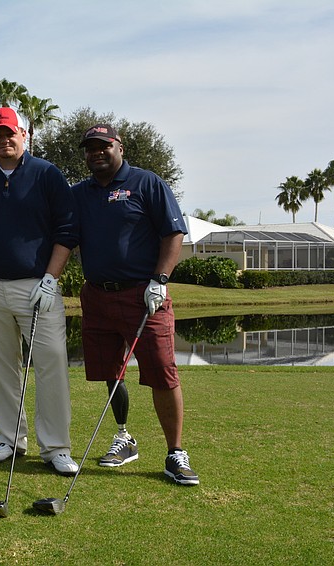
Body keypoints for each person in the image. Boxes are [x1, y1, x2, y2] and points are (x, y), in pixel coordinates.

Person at [72, 123, 199, 485]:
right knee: (110, 371)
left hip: (143, 295)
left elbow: (173, 233)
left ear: (119, 147)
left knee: (162, 371)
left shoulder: (146, 183)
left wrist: (160, 280)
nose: (97, 152)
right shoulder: (79, 194)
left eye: (103, 146)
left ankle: (175, 452)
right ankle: (124, 437)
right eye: (90, 148)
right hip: (97, 295)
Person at [0, 107, 78, 476]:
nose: (5, 139)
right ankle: (10, 439)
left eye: (11, 133)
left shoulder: (47, 175)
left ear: (23, 136)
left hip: (36, 286)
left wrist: (51, 278)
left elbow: (67, 231)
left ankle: (56, 446)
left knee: (51, 362)